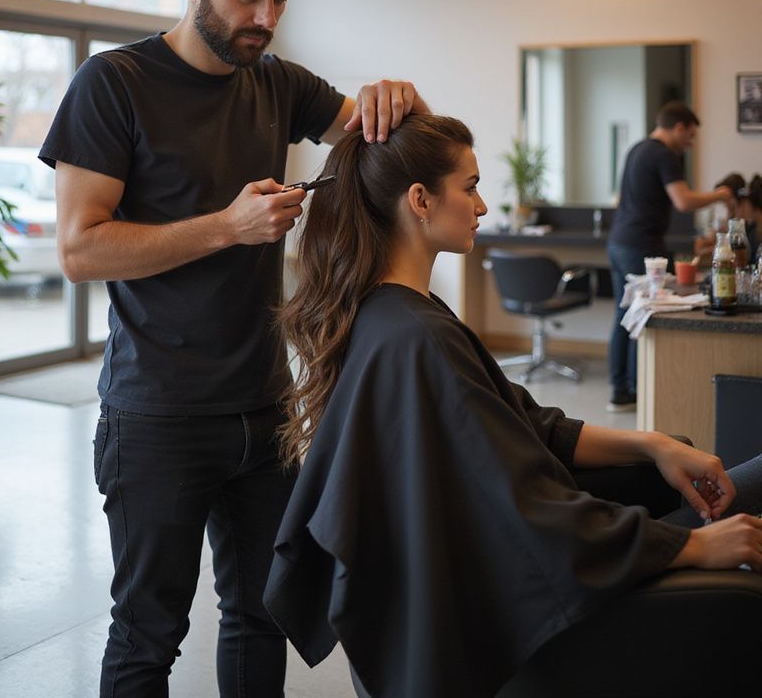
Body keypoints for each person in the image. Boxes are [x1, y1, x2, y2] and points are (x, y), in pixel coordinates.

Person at [39, 0, 422, 697]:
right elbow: (79, 249)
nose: (266, 17)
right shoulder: (114, 85)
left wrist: (398, 104)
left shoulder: (278, 83)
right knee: (149, 634)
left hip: (264, 408)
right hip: (157, 415)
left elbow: (375, 136)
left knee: (261, 619)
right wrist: (227, 227)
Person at [263, 113, 762, 698]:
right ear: (420, 200)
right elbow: (529, 514)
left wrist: (653, 443)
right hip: (539, 609)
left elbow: (526, 423)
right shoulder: (416, 337)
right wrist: (691, 545)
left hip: (525, 573)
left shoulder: (390, 316)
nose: (481, 206)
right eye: (470, 187)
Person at [606, 102, 733, 412]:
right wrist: (722, 194)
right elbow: (683, 201)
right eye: (689, 136)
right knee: (647, 314)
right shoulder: (665, 154)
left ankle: (620, 392)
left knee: (625, 314)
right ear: (678, 128)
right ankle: (638, 388)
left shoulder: (637, 148)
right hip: (641, 246)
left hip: (619, 241)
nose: (689, 143)